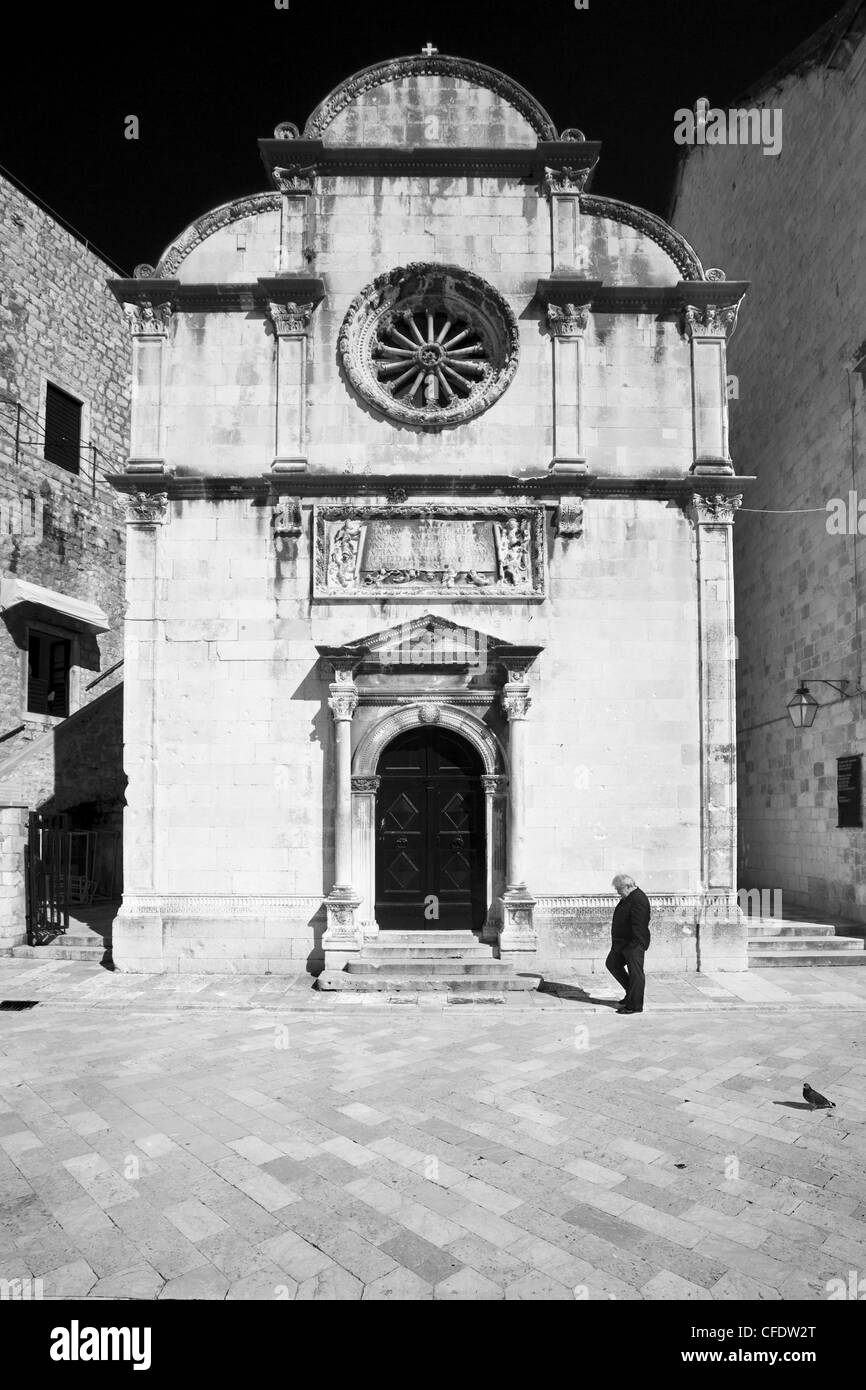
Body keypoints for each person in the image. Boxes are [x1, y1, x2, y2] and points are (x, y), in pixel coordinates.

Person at [606, 873, 651, 1014]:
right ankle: (632, 994)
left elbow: (640, 925)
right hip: (623, 944)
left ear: (627, 886)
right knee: (612, 964)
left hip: (633, 945)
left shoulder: (638, 899)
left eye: (619, 889)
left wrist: (634, 947)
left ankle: (635, 1005)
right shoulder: (629, 897)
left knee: (636, 974)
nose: (618, 892)